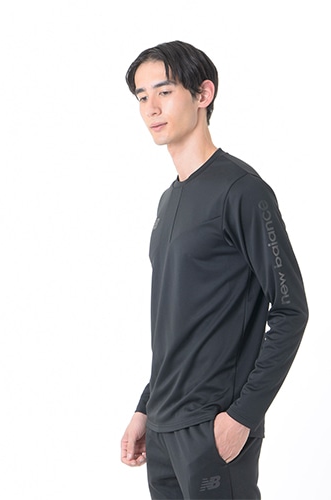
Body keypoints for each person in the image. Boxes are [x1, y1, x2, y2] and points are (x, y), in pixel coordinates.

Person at [120, 40, 309, 500]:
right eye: (142, 97)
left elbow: (291, 310)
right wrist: (146, 406)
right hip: (162, 429)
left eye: (164, 92)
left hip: (212, 426)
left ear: (203, 94)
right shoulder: (169, 200)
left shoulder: (242, 191)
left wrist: (243, 416)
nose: (151, 108)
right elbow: (178, 322)